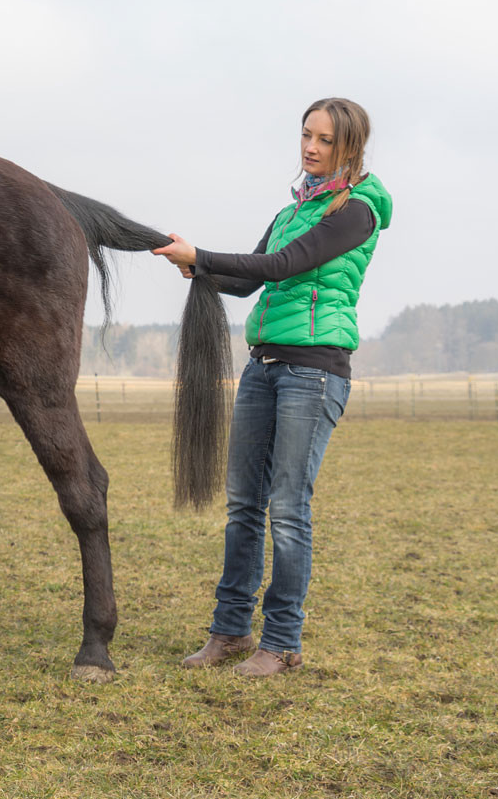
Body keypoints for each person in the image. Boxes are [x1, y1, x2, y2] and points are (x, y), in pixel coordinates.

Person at [151, 98, 393, 676]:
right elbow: (247, 279)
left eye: (325, 140)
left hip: (314, 372)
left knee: (287, 510)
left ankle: (281, 642)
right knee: (243, 506)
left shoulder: (356, 210)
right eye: (306, 135)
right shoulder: (293, 210)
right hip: (263, 367)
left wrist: (204, 255)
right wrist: (199, 266)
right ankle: (230, 632)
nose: (310, 147)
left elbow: (286, 265)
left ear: (350, 146)